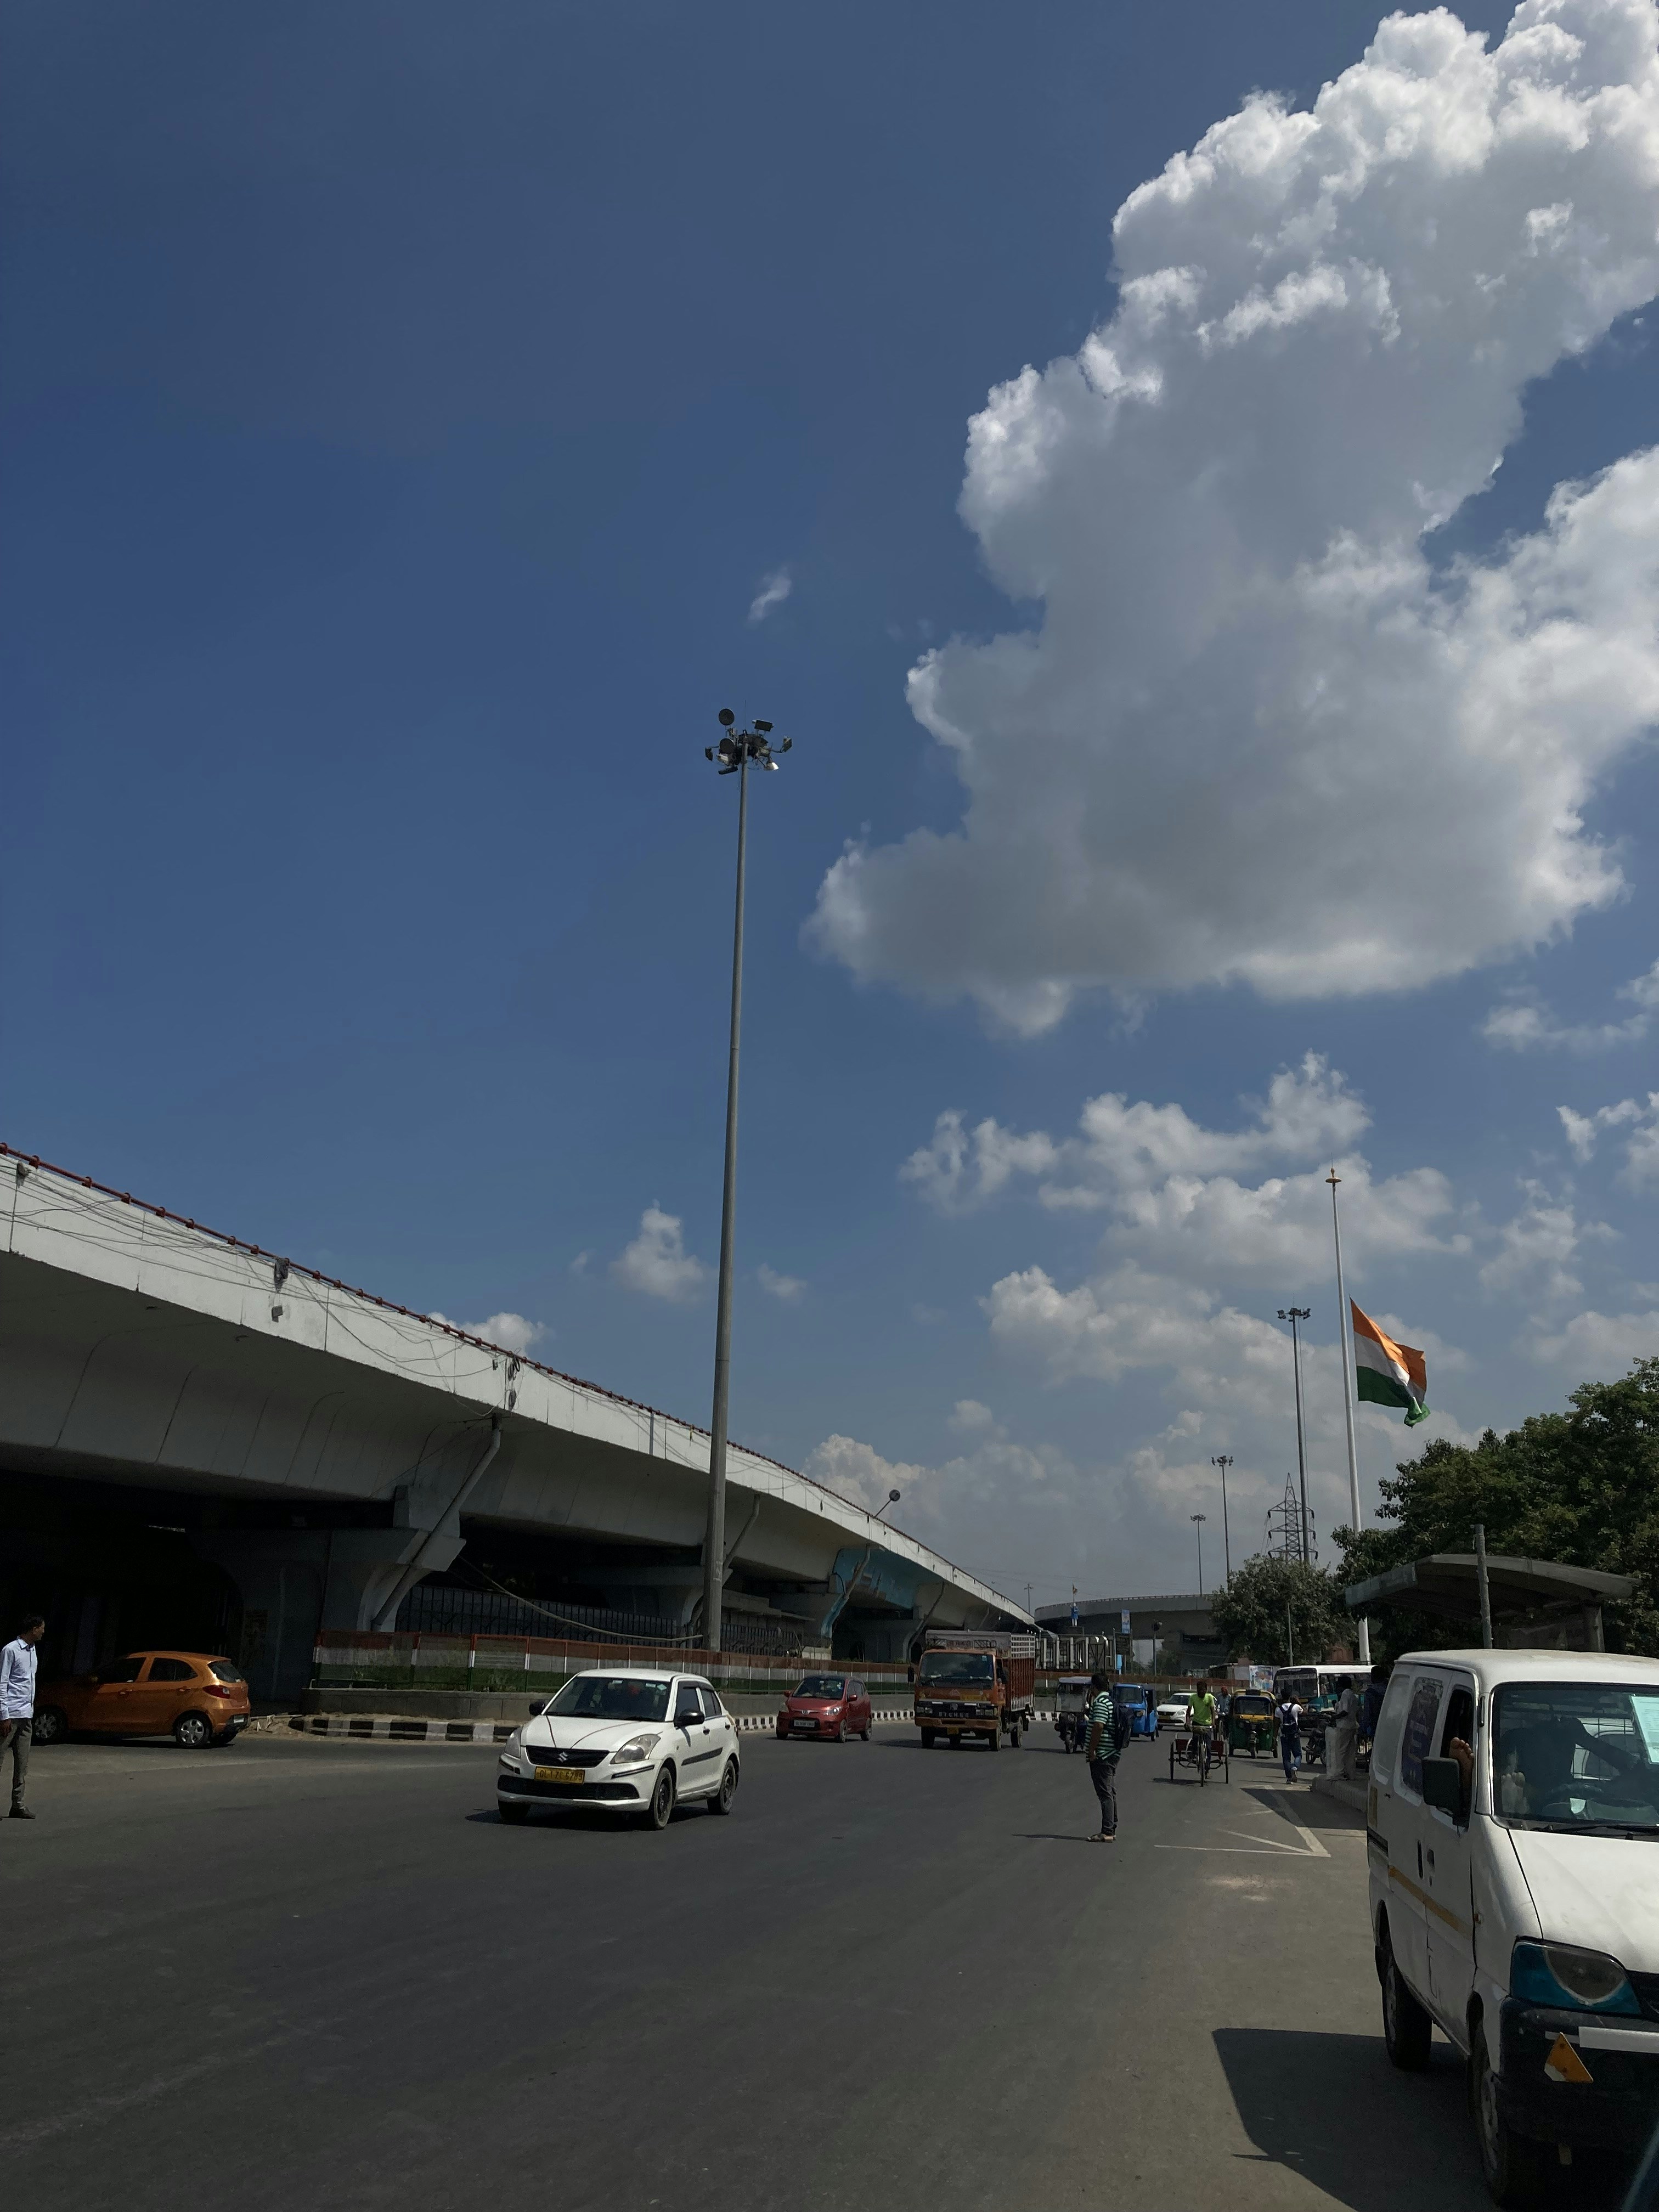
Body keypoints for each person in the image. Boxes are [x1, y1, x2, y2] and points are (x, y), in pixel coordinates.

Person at [1, 1613, 46, 1820]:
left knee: (22, 1765)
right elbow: (2, 1684)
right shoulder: (10, 1650)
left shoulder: (33, 1650)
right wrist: (4, 1716)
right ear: (33, 1629)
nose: (43, 1632)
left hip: (27, 1715)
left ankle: (18, 1805)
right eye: (41, 1628)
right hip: (10, 1715)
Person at [1083, 1671, 1120, 1844]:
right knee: (1110, 1791)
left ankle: (1107, 1831)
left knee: (1105, 1793)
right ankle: (1111, 1827)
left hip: (1103, 1754)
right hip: (1112, 1753)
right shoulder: (1111, 1702)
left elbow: (1098, 1725)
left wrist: (1092, 1750)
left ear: (1093, 1687)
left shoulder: (1100, 1703)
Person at [1328, 1674, 1361, 1782]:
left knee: (1341, 1751)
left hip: (1344, 1726)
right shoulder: (1353, 1695)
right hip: (1352, 1726)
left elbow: (1344, 1712)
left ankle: (1340, 1773)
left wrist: (1334, 1717)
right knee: (1350, 1752)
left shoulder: (1345, 1694)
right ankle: (1351, 1773)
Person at [1276, 1688, 1305, 1785]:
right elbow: (1304, 1712)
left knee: (1286, 1757)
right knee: (1298, 1754)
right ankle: (1295, 1767)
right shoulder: (1295, 1707)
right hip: (1295, 1734)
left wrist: (1274, 1737)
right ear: (1290, 1697)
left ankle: (1289, 1778)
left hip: (1284, 1735)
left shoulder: (1278, 1710)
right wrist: (1297, 1702)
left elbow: (1276, 1724)